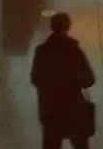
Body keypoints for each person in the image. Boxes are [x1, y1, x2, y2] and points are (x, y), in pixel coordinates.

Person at [30, 12, 96, 149]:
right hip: (73, 107)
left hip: (50, 109)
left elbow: (35, 78)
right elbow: (89, 79)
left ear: (52, 27)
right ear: (68, 27)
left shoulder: (42, 52)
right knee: (80, 143)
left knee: (51, 143)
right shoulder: (74, 51)